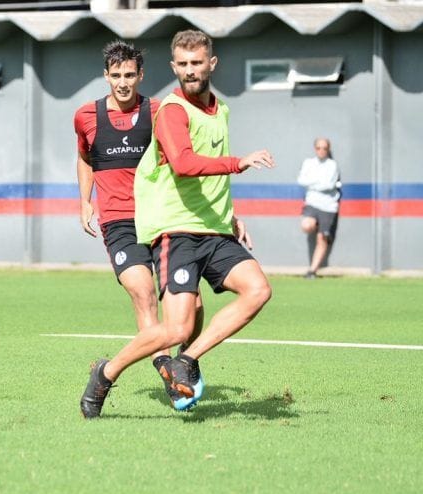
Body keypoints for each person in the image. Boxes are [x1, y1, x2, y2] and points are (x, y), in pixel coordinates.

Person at [80, 29, 274, 418]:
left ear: (211, 64)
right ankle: (107, 372)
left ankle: (184, 362)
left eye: (197, 63)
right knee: (173, 324)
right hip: (175, 230)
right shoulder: (170, 111)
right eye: (183, 64)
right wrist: (240, 161)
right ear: (173, 68)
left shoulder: (221, 110)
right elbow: (185, 165)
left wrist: (230, 217)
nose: (190, 70)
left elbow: (209, 172)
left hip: (213, 229)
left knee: (258, 290)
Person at [73, 40, 204, 401]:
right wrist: (85, 202)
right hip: (118, 222)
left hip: (162, 217)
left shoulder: (161, 112)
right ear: (106, 76)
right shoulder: (86, 116)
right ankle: (167, 370)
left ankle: (186, 361)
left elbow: (186, 161)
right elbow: (85, 157)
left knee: (192, 306)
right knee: (142, 292)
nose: (123, 82)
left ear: (141, 75)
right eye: (116, 75)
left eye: (130, 74)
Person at [297, 138, 341, 279]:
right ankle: (317, 226)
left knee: (322, 239)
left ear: (328, 149)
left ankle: (312, 271)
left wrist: (313, 182)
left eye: (324, 148)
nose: (321, 151)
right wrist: (318, 182)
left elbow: (328, 185)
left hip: (329, 207)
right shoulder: (308, 163)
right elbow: (301, 180)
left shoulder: (332, 165)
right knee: (306, 225)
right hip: (312, 203)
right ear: (314, 148)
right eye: (318, 148)